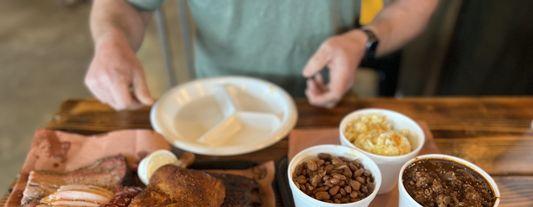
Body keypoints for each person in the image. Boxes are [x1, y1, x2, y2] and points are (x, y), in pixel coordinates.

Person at [85, 0, 437, 110]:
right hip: (216, 101)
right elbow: (125, 4)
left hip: (321, 101)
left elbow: (414, 5)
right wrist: (111, 39)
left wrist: (365, 38)